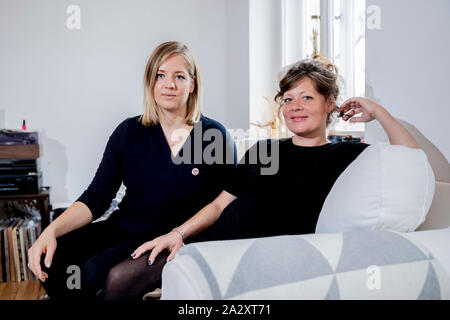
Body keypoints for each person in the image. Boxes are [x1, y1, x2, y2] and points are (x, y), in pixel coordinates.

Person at [126, 56, 420, 295]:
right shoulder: (265, 149)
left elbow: (409, 158)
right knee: (120, 276)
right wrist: (177, 234)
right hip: (209, 243)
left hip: (254, 259)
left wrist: (378, 111)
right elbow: (218, 205)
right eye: (288, 99)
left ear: (329, 103)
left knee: (131, 281)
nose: (296, 107)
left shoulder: (345, 154)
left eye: (307, 97)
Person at [27, 41, 236, 300]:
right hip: (126, 227)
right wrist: (51, 230)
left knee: (104, 274)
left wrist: (180, 233)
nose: (169, 84)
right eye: (160, 75)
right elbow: (97, 197)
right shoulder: (128, 132)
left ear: (192, 84)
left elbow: (223, 204)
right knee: (55, 256)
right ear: (150, 81)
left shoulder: (214, 135)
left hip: (181, 236)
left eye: (179, 76)